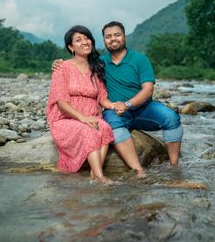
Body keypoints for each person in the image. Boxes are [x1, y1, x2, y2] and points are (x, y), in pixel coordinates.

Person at [52, 21, 183, 177]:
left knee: (171, 118)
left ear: (124, 37)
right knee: (112, 125)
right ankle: (139, 170)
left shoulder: (139, 59)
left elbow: (148, 89)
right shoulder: (100, 63)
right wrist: (56, 63)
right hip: (116, 112)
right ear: (104, 40)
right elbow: (78, 65)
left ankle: (174, 166)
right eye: (108, 37)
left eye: (117, 35)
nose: (113, 39)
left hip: (143, 108)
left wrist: (127, 104)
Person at [46, 25, 116, 185]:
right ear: (71, 47)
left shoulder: (96, 68)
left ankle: (93, 173)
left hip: (91, 116)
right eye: (79, 40)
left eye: (87, 38)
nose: (85, 42)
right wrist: (82, 118)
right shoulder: (62, 68)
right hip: (66, 119)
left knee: (104, 127)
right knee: (88, 130)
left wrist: (114, 106)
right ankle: (100, 176)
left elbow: (102, 98)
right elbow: (61, 102)